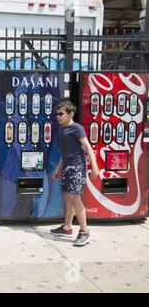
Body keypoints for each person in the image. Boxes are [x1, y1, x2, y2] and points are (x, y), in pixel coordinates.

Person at [51, 101, 99, 246]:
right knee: (67, 198)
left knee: (75, 198)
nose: (58, 117)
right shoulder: (62, 129)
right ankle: (67, 227)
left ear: (70, 114)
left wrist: (95, 166)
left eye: (61, 114)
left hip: (77, 167)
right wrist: (59, 169)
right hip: (67, 167)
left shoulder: (77, 128)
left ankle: (85, 231)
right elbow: (64, 152)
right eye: (57, 114)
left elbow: (88, 147)